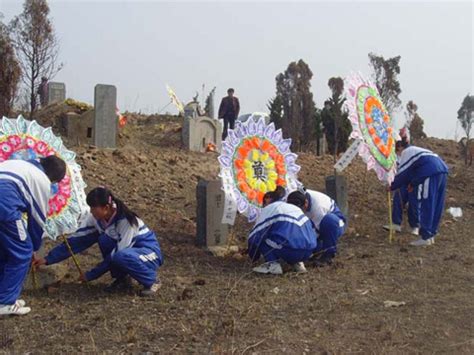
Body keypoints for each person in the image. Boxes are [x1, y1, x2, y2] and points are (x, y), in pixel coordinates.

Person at [34, 187, 163, 296]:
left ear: (106, 207)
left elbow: (117, 253)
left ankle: (152, 280)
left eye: (93, 208)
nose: (91, 211)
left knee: (121, 256)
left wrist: (91, 275)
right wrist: (48, 259)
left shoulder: (127, 223)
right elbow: (78, 240)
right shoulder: (97, 220)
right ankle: (122, 279)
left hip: (148, 253)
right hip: (126, 253)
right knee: (104, 240)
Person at [0, 156, 66, 316]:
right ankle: (5, 302)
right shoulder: (41, 180)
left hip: (5, 204)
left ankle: (3, 294)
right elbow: (37, 219)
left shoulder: (18, 162)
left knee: (4, 251)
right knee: (21, 252)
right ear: (53, 178)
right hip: (5, 208)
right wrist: (33, 248)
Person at [389, 137, 448, 246]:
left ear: (401, 147)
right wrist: (413, 184)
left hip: (430, 172)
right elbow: (415, 171)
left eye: (397, 152)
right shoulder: (418, 151)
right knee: (436, 204)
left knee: (427, 203)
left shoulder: (407, 152)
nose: (398, 155)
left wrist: (391, 186)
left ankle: (425, 236)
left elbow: (403, 173)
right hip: (442, 170)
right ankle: (431, 235)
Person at [248, 192, 317, 275]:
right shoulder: (294, 208)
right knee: (288, 234)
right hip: (309, 250)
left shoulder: (270, 209)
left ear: (267, 201)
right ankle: (297, 263)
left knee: (262, 236)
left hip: (289, 250)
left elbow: (254, 236)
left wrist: (253, 257)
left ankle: (272, 264)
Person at [287, 188, 346, 265]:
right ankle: (318, 249)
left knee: (329, 221)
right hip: (314, 224)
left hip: (335, 224)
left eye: (301, 209)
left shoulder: (318, 207)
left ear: (306, 203)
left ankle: (328, 255)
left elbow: (315, 233)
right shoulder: (292, 199)